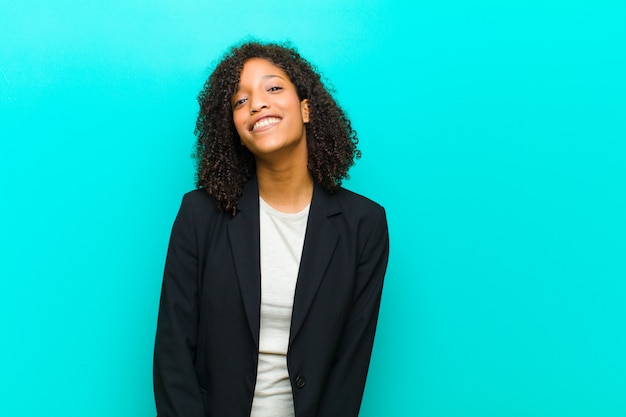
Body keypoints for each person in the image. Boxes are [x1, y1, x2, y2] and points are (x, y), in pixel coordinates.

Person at [154, 41, 389, 417]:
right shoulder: (199, 216)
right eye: (240, 101)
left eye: (274, 88)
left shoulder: (364, 225)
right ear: (234, 127)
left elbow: (350, 365)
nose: (257, 104)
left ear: (306, 108)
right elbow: (173, 354)